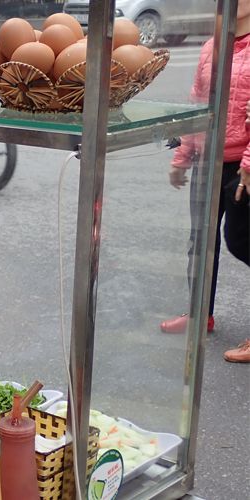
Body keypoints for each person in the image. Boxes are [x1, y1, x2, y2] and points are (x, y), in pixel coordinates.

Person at [162, 0, 249, 364]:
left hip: (244, 167)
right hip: (208, 160)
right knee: (201, 242)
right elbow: (199, 104)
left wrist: (248, 164)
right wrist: (182, 156)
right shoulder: (212, 45)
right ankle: (200, 314)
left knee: (242, 242)